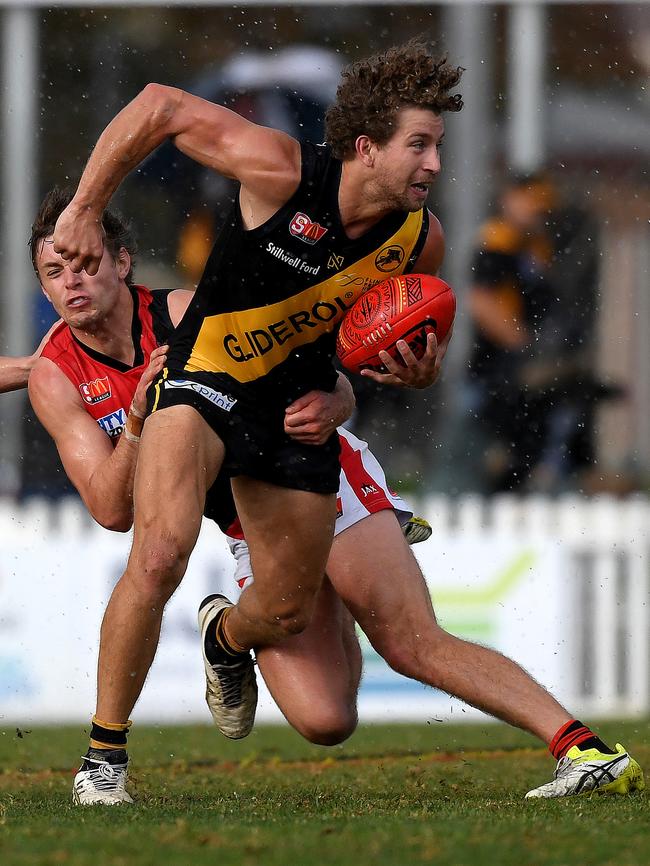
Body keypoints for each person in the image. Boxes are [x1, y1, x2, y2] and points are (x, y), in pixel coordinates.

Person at [49, 41, 642, 804]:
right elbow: (158, 103)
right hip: (201, 387)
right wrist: (86, 207)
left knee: (332, 698)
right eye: (419, 146)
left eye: (438, 146)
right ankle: (103, 764)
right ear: (366, 148)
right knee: (160, 550)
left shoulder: (417, 239)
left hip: (296, 425)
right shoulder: (281, 170)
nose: (434, 164)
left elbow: (383, 346)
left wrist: (391, 378)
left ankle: (228, 636)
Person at [466, 172, 606, 493]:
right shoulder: (498, 240)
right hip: (497, 374)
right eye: (530, 201)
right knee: (497, 459)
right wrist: (528, 351)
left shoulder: (534, 246)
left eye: (543, 204)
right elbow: (482, 303)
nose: (538, 210)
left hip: (518, 376)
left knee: (543, 442)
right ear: (509, 199)